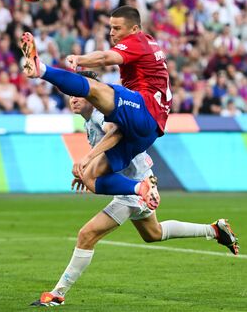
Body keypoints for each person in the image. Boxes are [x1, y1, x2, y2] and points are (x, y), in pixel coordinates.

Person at [31, 71, 239, 307]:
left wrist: (88, 160)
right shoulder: (90, 120)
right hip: (141, 183)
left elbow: (117, 131)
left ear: (92, 94)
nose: (73, 99)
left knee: (86, 235)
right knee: (154, 233)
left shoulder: (102, 116)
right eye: (70, 95)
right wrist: (90, 169)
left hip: (136, 188)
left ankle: (58, 293)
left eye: (78, 94)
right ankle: (214, 230)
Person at [20, 5, 171, 210]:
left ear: (134, 29)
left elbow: (104, 58)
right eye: (110, 27)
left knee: (95, 90)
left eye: (117, 28)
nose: (111, 33)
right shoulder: (148, 42)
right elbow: (116, 132)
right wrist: (88, 158)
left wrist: (79, 60)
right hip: (147, 132)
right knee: (89, 177)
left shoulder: (138, 41)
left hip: (146, 109)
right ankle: (141, 188)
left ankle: (41, 69)